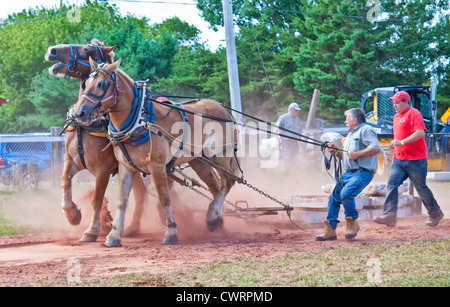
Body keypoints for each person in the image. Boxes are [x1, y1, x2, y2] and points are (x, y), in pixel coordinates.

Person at [373, 91, 444, 227]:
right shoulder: (396, 117)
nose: (394, 105)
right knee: (391, 185)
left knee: (421, 188)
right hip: (399, 160)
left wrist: (402, 142)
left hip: (416, 160)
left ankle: (435, 213)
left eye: (397, 102)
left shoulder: (414, 113)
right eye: (393, 102)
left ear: (406, 102)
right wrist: (395, 154)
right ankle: (389, 216)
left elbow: (420, 133)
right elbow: (398, 136)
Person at [316, 108, 381, 241]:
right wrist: (334, 152)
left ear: (354, 120)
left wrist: (357, 154)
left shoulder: (366, 130)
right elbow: (345, 157)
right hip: (348, 173)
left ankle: (352, 222)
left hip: (362, 172)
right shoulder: (350, 135)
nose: (345, 122)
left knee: (346, 194)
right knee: (333, 198)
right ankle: (330, 230)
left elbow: (376, 148)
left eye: (347, 119)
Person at [275, 102, 303, 174]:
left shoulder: (298, 120)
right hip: (286, 141)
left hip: (295, 142)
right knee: (288, 159)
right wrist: (277, 140)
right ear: (291, 109)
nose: (297, 112)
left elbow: (300, 131)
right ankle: (286, 176)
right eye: (296, 110)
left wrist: (300, 140)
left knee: (296, 159)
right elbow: (276, 129)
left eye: (297, 110)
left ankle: (295, 174)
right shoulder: (283, 118)